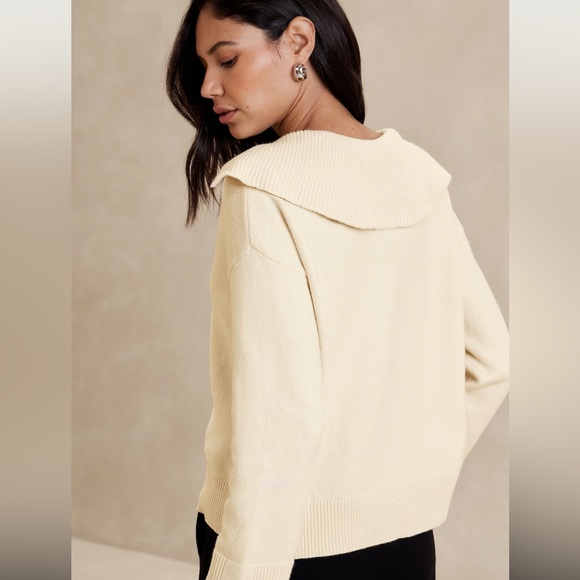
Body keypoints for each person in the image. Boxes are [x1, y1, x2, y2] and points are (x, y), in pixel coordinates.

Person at [166, 1, 509, 579]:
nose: (207, 87)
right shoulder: (418, 174)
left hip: (283, 548)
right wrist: (400, 480)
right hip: (406, 543)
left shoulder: (263, 188)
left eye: (226, 60)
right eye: (203, 67)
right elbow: (491, 361)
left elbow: (278, 420)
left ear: (299, 42)